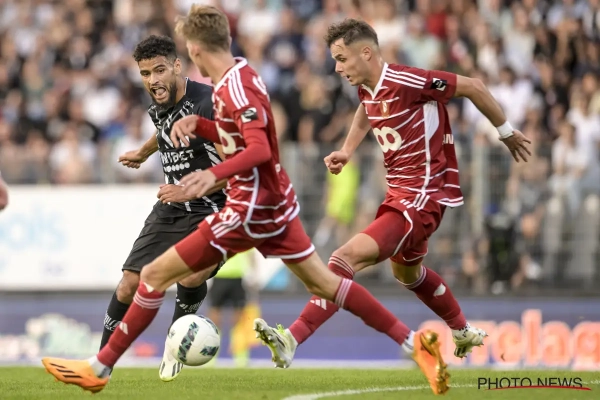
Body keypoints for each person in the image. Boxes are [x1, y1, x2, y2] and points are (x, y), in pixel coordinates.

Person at [41, 6, 450, 396]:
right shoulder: (239, 76)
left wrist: (209, 175)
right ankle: (414, 344)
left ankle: (99, 369)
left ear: (194, 51)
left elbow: (259, 149)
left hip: (248, 206)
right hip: (275, 204)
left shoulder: (234, 88)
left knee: (153, 274)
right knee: (326, 284)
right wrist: (199, 125)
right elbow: (239, 137)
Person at [253, 18, 531, 366]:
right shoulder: (366, 89)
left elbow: (473, 86)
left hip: (422, 195)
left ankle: (292, 338)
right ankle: (462, 330)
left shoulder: (408, 81)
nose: (337, 68)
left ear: (366, 53)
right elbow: (366, 110)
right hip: (400, 195)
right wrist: (347, 149)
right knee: (407, 274)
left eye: (342, 58)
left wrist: (506, 133)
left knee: (343, 259)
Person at [98, 35, 228, 382]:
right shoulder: (160, 102)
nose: (153, 80)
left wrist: (188, 189)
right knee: (128, 284)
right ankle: (101, 363)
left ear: (177, 66)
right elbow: (164, 130)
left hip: (217, 207)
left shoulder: (208, 103)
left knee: (191, 275)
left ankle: (176, 344)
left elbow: (238, 167)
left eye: (159, 70)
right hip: (172, 207)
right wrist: (143, 153)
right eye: (145, 73)